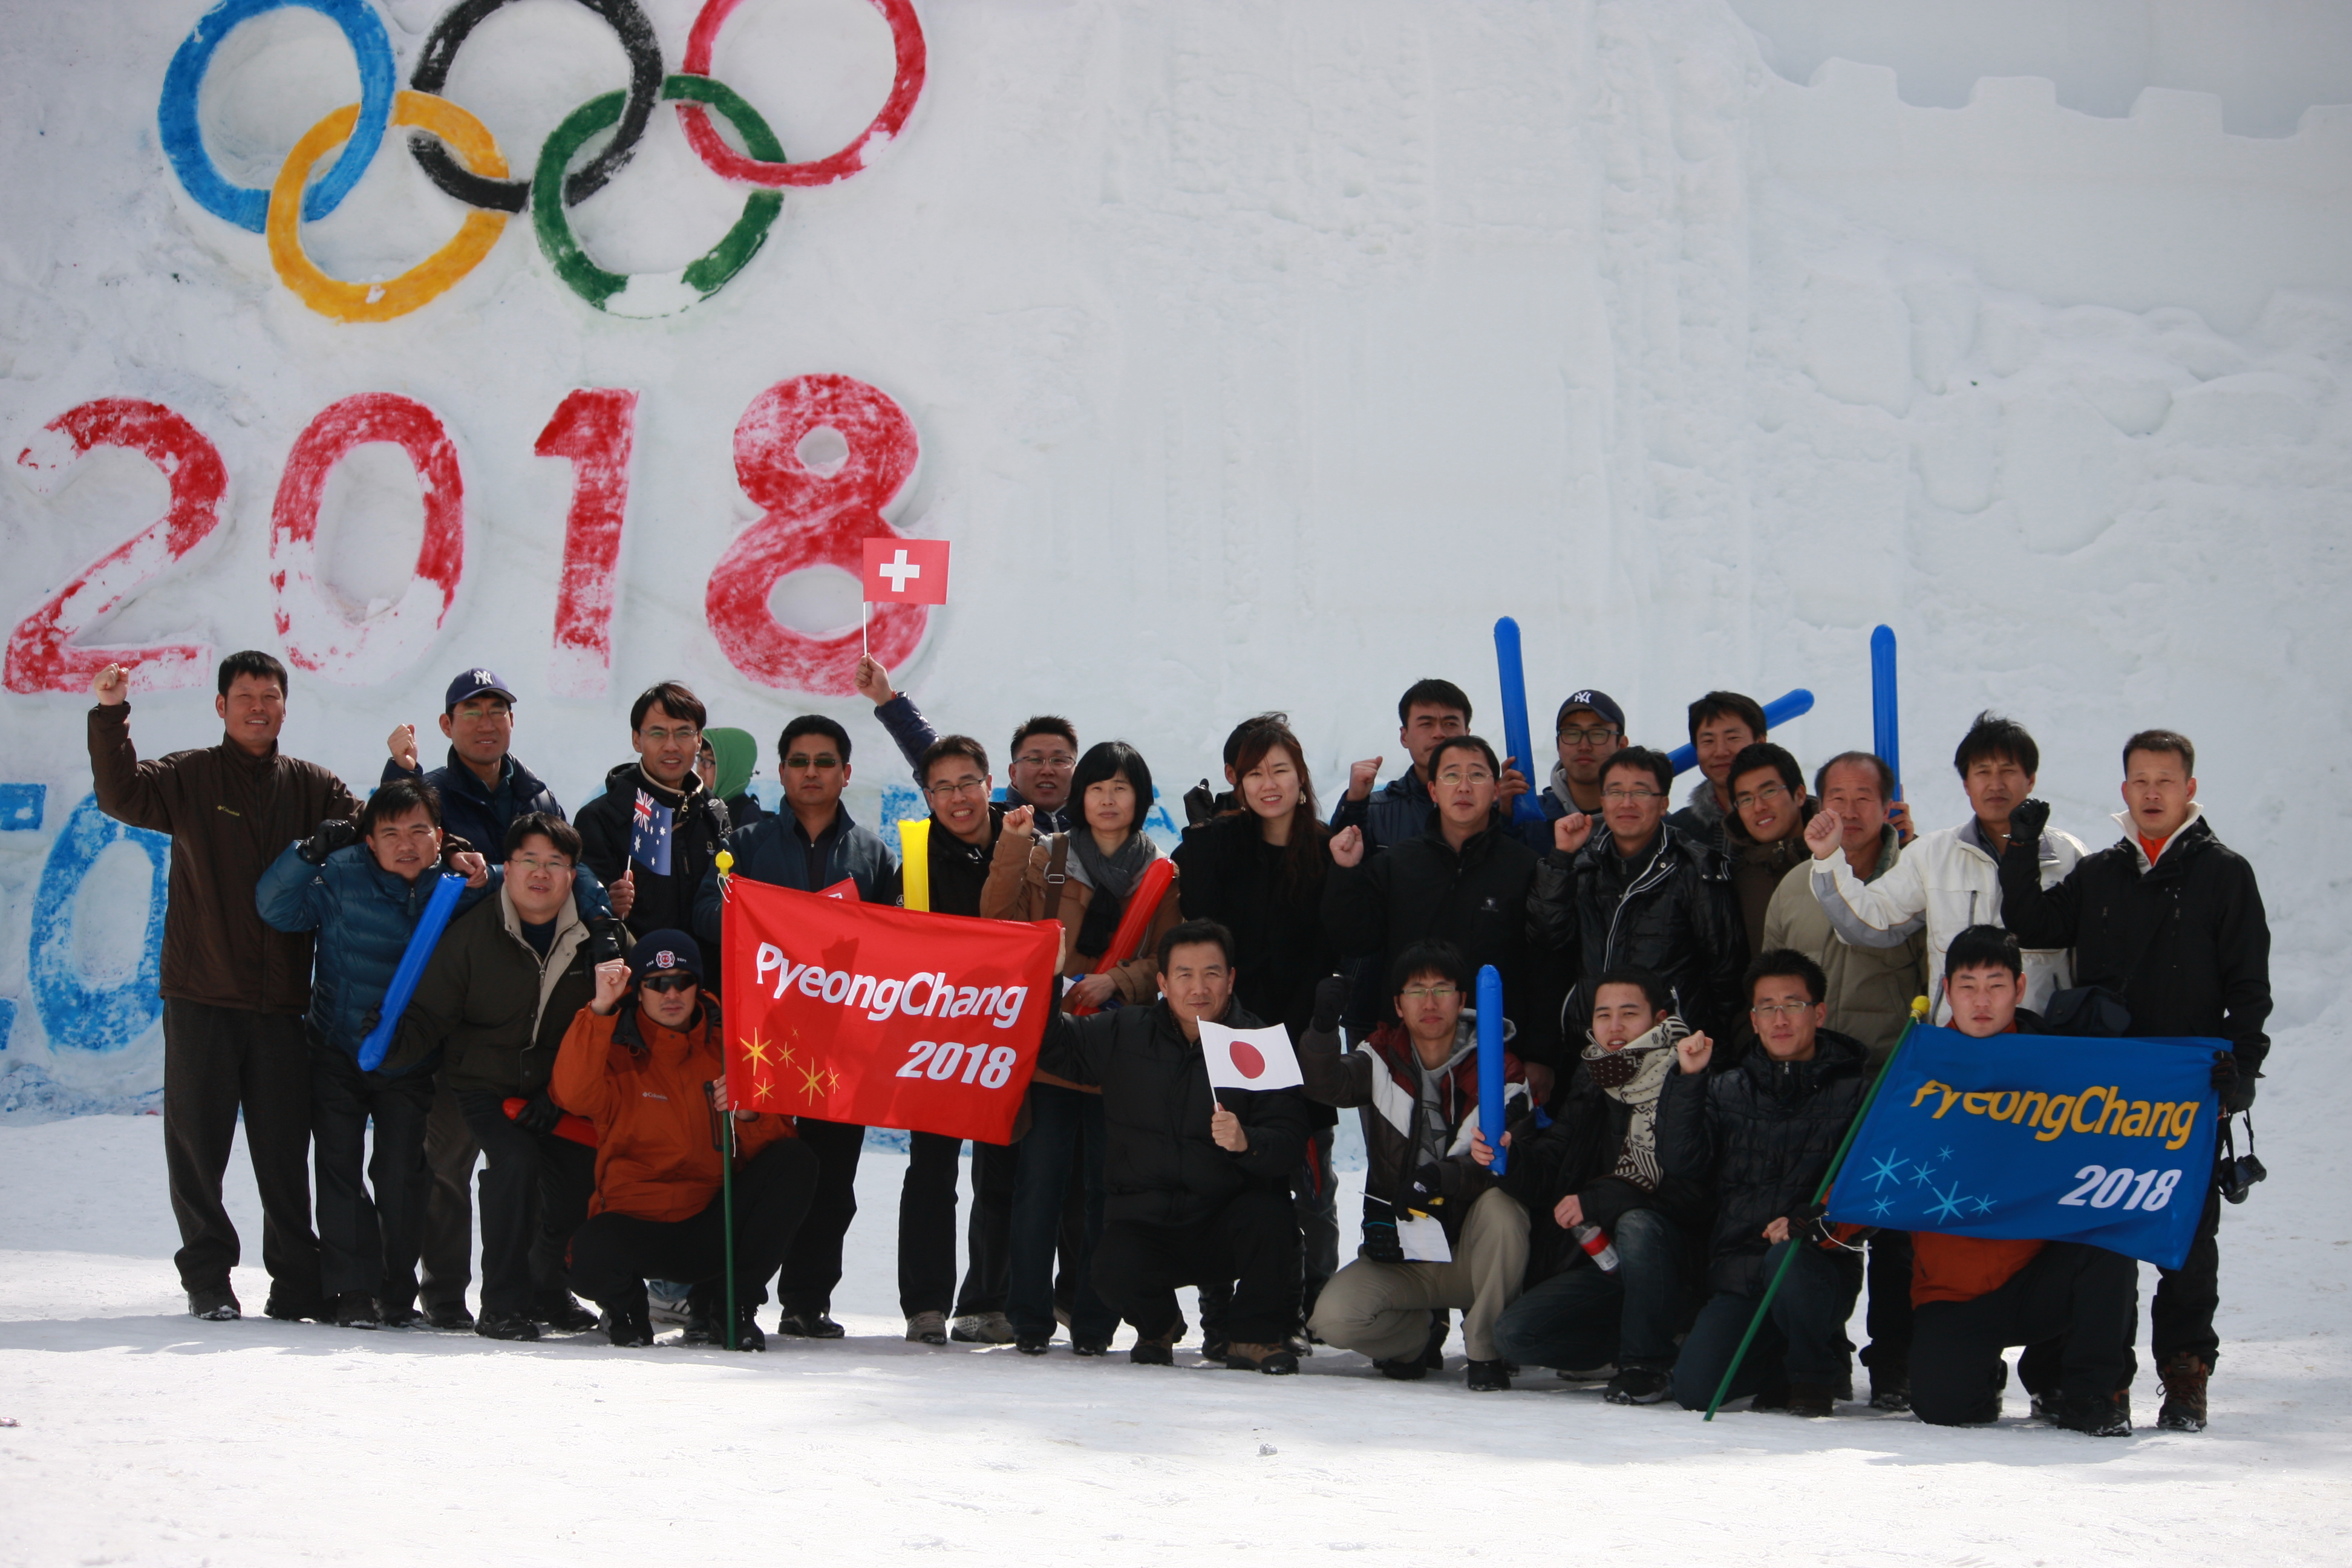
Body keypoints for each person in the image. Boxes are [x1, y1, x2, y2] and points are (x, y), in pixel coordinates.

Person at [1994, 730, 2270, 1432]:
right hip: (2108, 1093)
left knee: (2187, 1239)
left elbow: (2249, 984)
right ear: (2124, 790)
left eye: (2165, 780)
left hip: (2187, 1090)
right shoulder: (2102, 872)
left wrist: (2241, 1069)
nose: (2152, 793)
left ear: (2189, 790)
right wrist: (2021, 847)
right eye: (2140, 780)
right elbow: (2032, 924)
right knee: (2105, 1233)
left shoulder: (2225, 873)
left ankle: (2186, 1374)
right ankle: (2103, 1383)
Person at [87, 653, 357, 1322]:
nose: (258, 708)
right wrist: (111, 716)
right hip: (201, 993)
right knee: (197, 1150)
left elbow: (386, 828)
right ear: (221, 706)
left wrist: (427, 809)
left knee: (284, 1152)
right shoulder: (190, 776)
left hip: (282, 1003)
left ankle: (296, 1283)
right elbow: (120, 794)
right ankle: (208, 1280)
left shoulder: (314, 787)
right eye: (244, 697)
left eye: (270, 696)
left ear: (285, 706)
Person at [381, 666, 616, 1333]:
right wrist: (397, 775)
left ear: (512, 721)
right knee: (449, 1164)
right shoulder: (429, 792)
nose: (486, 723)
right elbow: (397, 844)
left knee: (534, 1166)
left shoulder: (533, 792)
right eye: (472, 711)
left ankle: (540, 1291)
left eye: (497, 711)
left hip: (522, 1001)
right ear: (447, 724)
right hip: (455, 994)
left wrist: (602, 917)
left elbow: (567, 864)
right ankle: (445, 1293)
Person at [254, 779, 492, 1329]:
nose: (406, 845)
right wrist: (306, 854)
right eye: (390, 834)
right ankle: (353, 1289)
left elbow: (525, 883)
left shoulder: (458, 885)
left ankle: (396, 1291)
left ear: (439, 837)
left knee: (402, 1174)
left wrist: (478, 865)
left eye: (418, 832)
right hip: (336, 1047)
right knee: (338, 1167)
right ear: (369, 841)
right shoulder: (340, 874)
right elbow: (277, 909)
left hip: (411, 1058)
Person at [695, 714, 899, 1340]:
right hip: (763, 1039)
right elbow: (705, 913)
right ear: (781, 771)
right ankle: (734, 1297)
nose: (813, 773)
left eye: (825, 762)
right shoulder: (745, 845)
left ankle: (808, 1301)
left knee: (833, 1183)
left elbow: (898, 946)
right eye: (800, 762)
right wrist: (777, 924)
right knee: (758, 1174)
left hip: (841, 1045)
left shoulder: (872, 854)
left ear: (846, 772)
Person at [1034, 921, 1313, 1373]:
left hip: (1225, 1224)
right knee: (1110, 1267)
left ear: (1231, 979)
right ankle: (1158, 1327)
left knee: (1274, 1221)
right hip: (1148, 1223)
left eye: (1212, 974)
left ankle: (1252, 1337)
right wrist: (1048, 978)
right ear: (1163, 983)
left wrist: (1248, 1142)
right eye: (1185, 975)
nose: (1198, 988)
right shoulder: (1124, 1030)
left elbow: (1291, 1142)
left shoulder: (1259, 1042)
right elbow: (1052, 1046)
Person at [982, 740, 1180, 1356]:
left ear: (1140, 799)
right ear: (1081, 796)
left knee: (1104, 1193)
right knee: (1038, 1186)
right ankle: (1029, 1318)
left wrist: (1117, 980)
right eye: (1097, 787)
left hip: (1120, 1052)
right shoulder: (1051, 855)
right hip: (1052, 1043)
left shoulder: (1161, 873)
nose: (1108, 799)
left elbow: (1169, 958)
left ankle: (1095, 1323)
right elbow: (998, 920)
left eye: (1122, 788)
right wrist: (1013, 846)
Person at [1906, 926, 2141, 1436]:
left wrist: (2204, 1085)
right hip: (1954, 1290)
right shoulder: (1916, 1070)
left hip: (2038, 1277)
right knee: (1946, 1409)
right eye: (1968, 986)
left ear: (2019, 987)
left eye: (1995, 985)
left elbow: (2135, 1120)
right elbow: (1874, 1163)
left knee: (2112, 1236)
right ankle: (1981, 1374)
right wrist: (1826, 1221)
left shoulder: (2057, 1065)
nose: (1982, 1001)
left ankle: (2090, 1393)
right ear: (1947, 990)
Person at [554, 932, 820, 1351]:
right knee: (587, 1258)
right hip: (635, 1218)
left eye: (683, 981)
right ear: (637, 990)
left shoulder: (732, 1047)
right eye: (657, 983)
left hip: (711, 1222)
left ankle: (731, 1307)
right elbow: (571, 1095)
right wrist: (600, 1008)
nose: (672, 993)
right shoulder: (615, 1046)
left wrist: (749, 1113)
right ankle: (627, 1311)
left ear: (699, 985)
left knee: (796, 1159)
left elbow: (771, 1153)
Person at [1762, 749, 1929, 1411]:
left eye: (1866, 798)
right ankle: (1823, 1354)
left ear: (1889, 806)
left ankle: (1895, 1361)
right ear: (1818, 803)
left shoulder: (1915, 879)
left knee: (1896, 1232)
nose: (1851, 811)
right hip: (1811, 1090)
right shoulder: (1795, 885)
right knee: (1817, 1224)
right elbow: (1773, 986)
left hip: (1889, 1085)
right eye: (1838, 797)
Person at [1173, 714, 1344, 1349]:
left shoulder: (1328, 849)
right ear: (1236, 782)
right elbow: (1197, 925)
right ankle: (1221, 1313)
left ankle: (1312, 1306)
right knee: (1224, 1179)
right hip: (1231, 1040)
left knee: (1309, 1182)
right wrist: (1200, 841)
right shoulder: (1218, 846)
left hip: (1303, 1044)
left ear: (1301, 777)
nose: (1269, 784)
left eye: (1280, 770)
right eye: (1254, 773)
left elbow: (1343, 941)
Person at [1298, 948, 1529, 1391]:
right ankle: (1413, 1340)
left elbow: (1503, 1161)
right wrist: (1323, 1030)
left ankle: (1485, 1349)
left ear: (1462, 1000)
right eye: (1417, 991)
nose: (1430, 1002)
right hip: (1406, 1254)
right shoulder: (1381, 1057)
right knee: (1333, 1319)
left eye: (1442, 989)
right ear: (1399, 1005)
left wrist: (1440, 1177)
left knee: (1504, 1211)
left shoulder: (1500, 1068)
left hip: (1472, 1254)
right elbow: (1325, 1084)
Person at [1484, 967, 1710, 1405]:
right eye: (1604, 1015)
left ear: (1659, 1019)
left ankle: (1647, 1364)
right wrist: (1511, 1156)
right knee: (1516, 1336)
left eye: (1629, 1013)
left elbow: (1690, 1188)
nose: (1615, 1026)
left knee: (1638, 1225)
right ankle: (1639, 1343)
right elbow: (1555, 1161)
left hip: (1673, 1262)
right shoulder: (1594, 1076)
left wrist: (1598, 1200)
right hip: (1600, 1259)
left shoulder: (1688, 1074)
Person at [1661, 950, 1870, 1416]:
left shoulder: (1857, 1092)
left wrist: (1812, 1222)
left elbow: (1871, 1192)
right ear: (1753, 1021)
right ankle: (1791, 1359)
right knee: (1695, 1390)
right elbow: (1682, 1162)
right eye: (1767, 1008)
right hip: (1741, 1273)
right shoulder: (1728, 1088)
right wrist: (1691, 1080)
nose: (1780, 1019)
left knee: (1787, 1260)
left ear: (1819, 1013)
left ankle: (1813, 1376)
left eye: (1793, 1005)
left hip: (1815, 1269)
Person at [1324, 735, 1563, 1099]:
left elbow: (1545, 965)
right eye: (1452, 775)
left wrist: (1541, 1055)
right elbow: (1354, 939)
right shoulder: (1395, 864)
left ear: (1495, 790)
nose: (1464, 787)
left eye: (1477, 775)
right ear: (1434, 791)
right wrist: (1345, 873)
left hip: (1497, 1058)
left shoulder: (1525, 867)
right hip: (1405, 1056)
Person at [1805, 712, 2085, 1019]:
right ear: (1966, 784)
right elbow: (1871, 924)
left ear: (2030, 780)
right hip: (1954, 1036)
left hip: (2043, 1038)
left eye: (2008, 771)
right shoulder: (1933, 854)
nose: (1996, 784)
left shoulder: (2069, 855)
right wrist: (1828, 858)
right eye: (1982, 772)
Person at [896, 734, 1020, 1347]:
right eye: (942, 787)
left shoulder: (1024, 843)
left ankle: (986, 1302)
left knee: (1000, 1171)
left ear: (990, 783)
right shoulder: (914, 855)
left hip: (1006, 1034)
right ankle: (925, 1305)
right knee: (931, 1170)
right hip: (935, 1038)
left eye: (968, 782)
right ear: (927, 796)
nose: (957, 798)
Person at [1538, 746, 1746, 1045]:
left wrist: (1714, 1054)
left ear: (1664, 804)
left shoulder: (1698, 870)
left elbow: (1726, 976)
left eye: (1641, 792)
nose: (1627, 803)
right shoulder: (1584, 866)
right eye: (1615, 792)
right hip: (1591, 1045)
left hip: (1672, 1050)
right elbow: (1547, 940)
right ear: (1602, 801)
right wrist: (1562, 859)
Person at [577, 682, 732, 944]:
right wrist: (607, 905)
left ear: (698, 740)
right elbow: (587, 918)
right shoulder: (602, 818)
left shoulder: (714, 814)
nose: (671, 746)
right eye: (658, 733)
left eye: (684, 733)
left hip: (705, 968)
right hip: (635, 967)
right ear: (637, 740)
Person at [854, 653, 1080, 834]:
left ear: (1076, 771)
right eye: (1035, 760)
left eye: (1059, 760)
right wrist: (887, 699)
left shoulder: (1094, 827)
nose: (1047, 770)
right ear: (1013, 773)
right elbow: (936, 760)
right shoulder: (991, 827)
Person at [1722, 742, 1817, 957]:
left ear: (1799, 795)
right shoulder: (1735, 881)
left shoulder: (1842, 856)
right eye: (1746, 799)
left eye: (1769, 791)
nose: (1759, 807)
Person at [1518, 690, 1630, 852]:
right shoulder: (1529, 820)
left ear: (1622, 746)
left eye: (1598, 734)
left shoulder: (1646, 820)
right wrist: (1501, 815)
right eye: (1572, 734)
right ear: (1558, 746)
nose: (1584, 746)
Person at [1664, 690, 1766, 854]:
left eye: (1732, 738)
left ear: (1760, 742)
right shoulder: (1678, 831)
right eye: (1708, 741)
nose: (1721, 752)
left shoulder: (1795, 817)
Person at [698, 727, 766, 828]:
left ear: (731, 768)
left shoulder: (748, 816)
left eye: (708, 760)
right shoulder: (698, 805)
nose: (700, 767)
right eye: (700, 758)